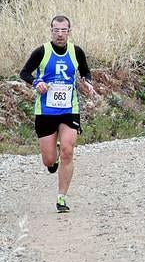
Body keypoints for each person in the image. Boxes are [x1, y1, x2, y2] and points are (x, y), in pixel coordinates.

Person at [19, 14, 100, 213]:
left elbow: (85, 72)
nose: (60, 34)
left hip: (68, 108)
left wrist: (88, 83)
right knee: (48, 160)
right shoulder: (42, 51)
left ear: (69, 32)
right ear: (51, 31)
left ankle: (61, 197)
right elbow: (24, 73)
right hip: (46, 109)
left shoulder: (76, 52)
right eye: (56, 30)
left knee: (68, 150)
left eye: (64, 30)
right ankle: (52, 160)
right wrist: (37, 83)